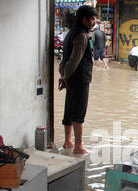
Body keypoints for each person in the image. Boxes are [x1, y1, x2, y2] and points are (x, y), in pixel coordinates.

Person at [58, 5, 98, 154]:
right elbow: (74, 60)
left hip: (71, 78)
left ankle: (68, 141)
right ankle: (78, 146)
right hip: (79, 78)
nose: (93, 22)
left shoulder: (70, 33)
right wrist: (65, 77)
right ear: (84, 19)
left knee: (69, 109)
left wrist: (64, 75)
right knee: (79, 112)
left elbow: (65, 59)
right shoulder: (81, 36)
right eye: (92, 19)